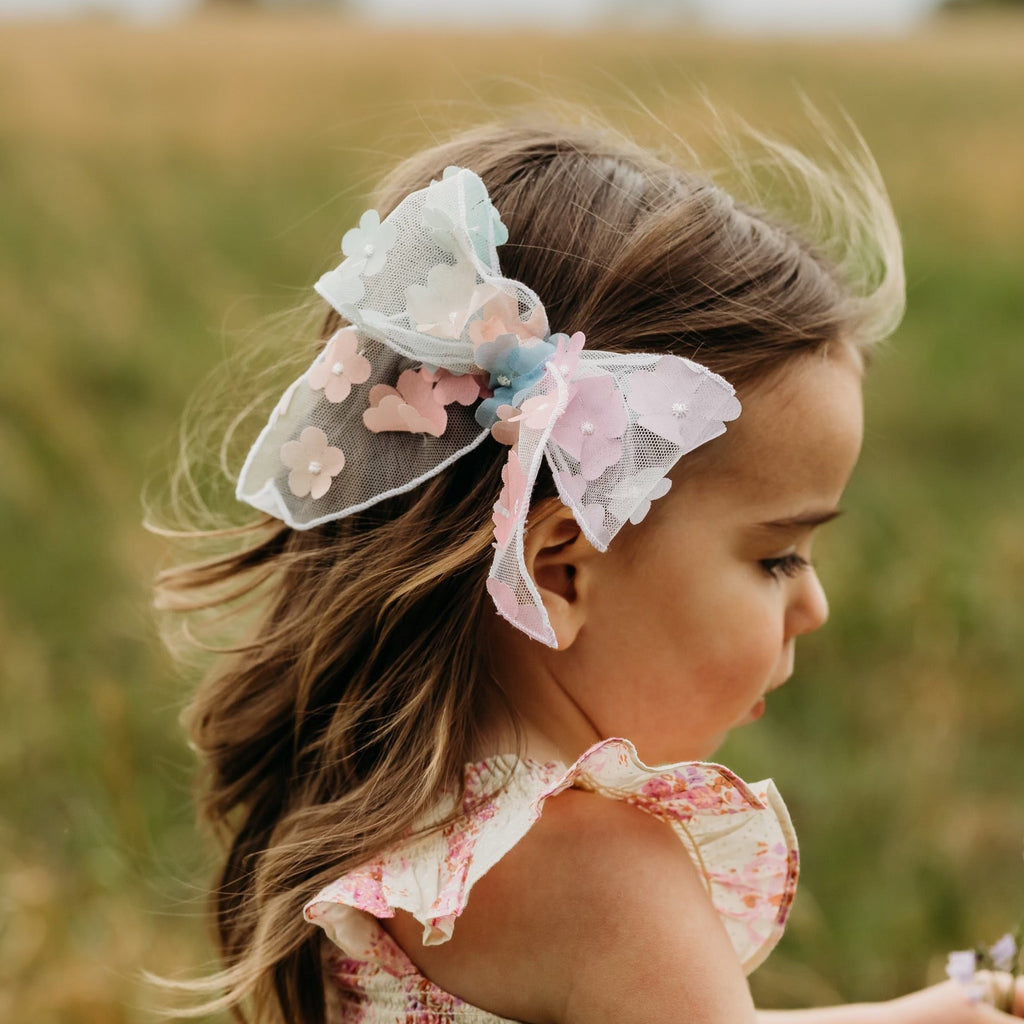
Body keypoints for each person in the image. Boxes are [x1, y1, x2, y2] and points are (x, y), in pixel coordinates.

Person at [156, 118, 1024, 1024]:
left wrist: (933, 1014)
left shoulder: (419, 815)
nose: (816, 605)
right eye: (777, 557)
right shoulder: (609, 878)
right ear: (560, 574)